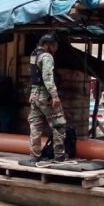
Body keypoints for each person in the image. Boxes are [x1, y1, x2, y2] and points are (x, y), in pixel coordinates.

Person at [28, 33, 71, 165]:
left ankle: (35, 156)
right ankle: (59, 156)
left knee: (35, 125)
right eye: (54, 45)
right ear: (48, 45)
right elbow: (47, 78)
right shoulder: (47, 57)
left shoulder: (34, 54)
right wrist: (54, 96)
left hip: (34, 95)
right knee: (59, 124)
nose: (56, 48)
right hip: (45, 95)